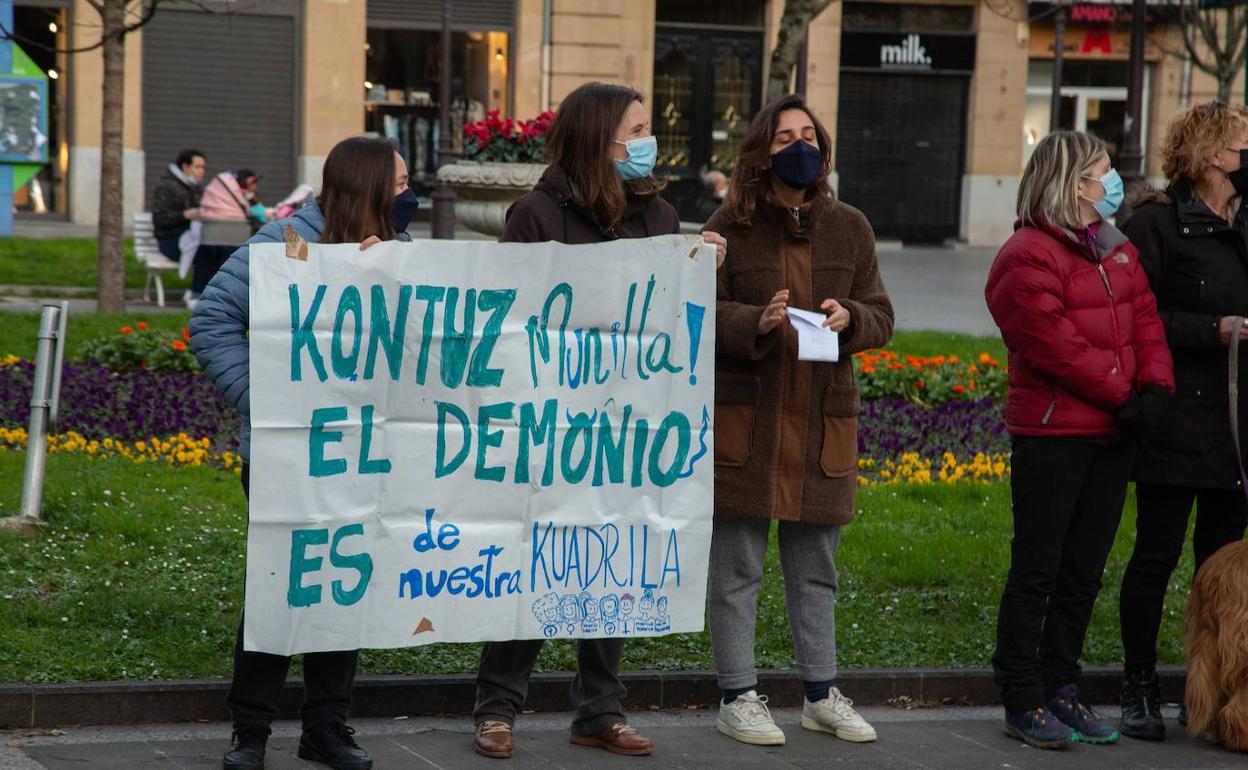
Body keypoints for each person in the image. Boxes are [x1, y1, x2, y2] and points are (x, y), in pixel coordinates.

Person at [470, 81, 726, 760]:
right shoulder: (535, 214)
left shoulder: (661, 216)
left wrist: (698, 274)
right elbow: (507, 317)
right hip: (551, 425)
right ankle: (497, 707)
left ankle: (600, 709)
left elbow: (668, 322)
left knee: (611, 561)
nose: (648, 144)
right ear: (596, 138)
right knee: (536, 560)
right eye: (635, 131)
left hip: (625, 428)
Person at [189, 136, 417, 770]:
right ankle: (251, 732)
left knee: (343, 586)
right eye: (398, 185)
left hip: (363, 453)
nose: (409, 195)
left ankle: (327, 726)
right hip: (286, 454)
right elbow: (211, 321)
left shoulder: (403, 253)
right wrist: (265, 402)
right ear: (367, 188)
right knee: (279, 586)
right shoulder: (280, 242)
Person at [703, 94, 893, 748]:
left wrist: (852, 320)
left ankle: (821, 695)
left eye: (807, 133)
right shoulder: (729, 225)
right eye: (784, 136)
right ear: (762, 150)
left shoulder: (851, 227)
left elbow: (882, 314)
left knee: (816, 570)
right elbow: (697, 312)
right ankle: (738, 695)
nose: (798, 145)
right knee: (736, 568)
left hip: (819, 422)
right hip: (747, 423)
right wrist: (750, 322)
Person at [984, 130, 1174, 750]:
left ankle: (1061, 686)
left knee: (1083, 572)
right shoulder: (1026, 254)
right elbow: (1055, 347)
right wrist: (1127, 397)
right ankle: (1021, 694)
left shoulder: (1115, 249)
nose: (1111, 180)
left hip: (1113, 434)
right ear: (1071, 182)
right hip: (1055, 434)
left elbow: (1146, 321)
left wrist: (1158, 389)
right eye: (1101, 171)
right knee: (1038, 569)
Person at [1116, 100, 1248, 742]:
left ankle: (1222, 694)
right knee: (1158, 556)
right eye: (1240, 142)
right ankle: (1139, 683)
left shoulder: (1245, 218)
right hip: (1178, 417)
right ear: (1210, 153)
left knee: (1226, 567)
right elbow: (1138, 318)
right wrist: (1212, 330)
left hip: (1235, 425)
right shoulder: (1159, 224)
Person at [151, 148, 205, 261]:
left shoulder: (196, 187)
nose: (202, 171)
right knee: (207, 254)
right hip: (170, 240)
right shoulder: (166, 187)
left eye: (203, 167)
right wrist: (185, 215)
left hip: (193, 238)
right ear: (185, 166)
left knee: (219, 250)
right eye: (198, 167)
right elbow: (159, 219)